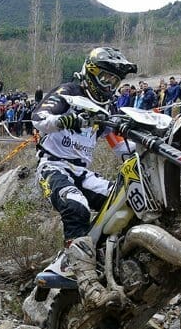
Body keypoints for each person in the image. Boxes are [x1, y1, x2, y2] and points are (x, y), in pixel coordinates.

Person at [32, 47, 136, 308]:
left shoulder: (107, 107)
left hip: (83, 171)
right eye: (105, 77)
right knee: (75, 204)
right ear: (91, 72)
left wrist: (150, 147)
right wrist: (67, 120)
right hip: (53, 166)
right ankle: (87, 282)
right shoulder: (69, 92)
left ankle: (106, 259)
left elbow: (121, 146)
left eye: (114, 80)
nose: (109, 84)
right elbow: (39, 118)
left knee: (126, 201)